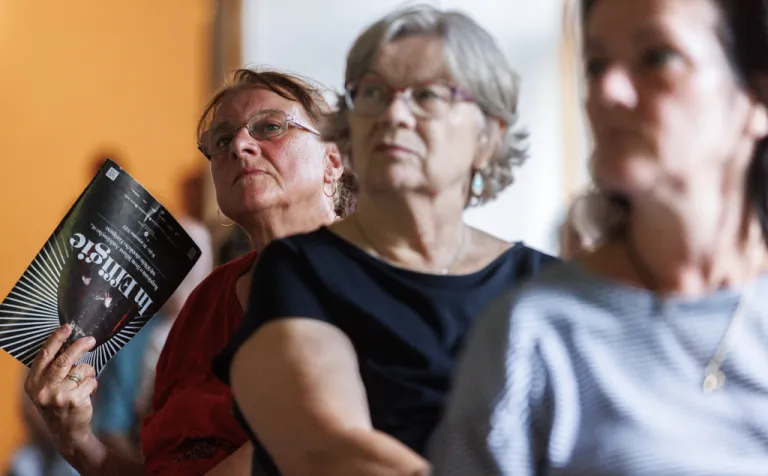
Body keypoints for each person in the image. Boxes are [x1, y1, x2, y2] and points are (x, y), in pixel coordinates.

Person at [213, 5, 556, 476]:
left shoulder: (546, 285)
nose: (394, 113)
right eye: (372, 93)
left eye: (427, 95)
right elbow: (329, 450)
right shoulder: (299, 271)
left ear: (487, 136)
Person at [430, 0, 768, 474]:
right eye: (595, 65)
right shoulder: (535, 334)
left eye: (657, 57)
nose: (606, 91)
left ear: (756, 99)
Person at [23, 68, 355, 476]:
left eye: (269, 126)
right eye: (222, 139)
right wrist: (76, 442)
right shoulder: (206, 301)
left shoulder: (376, 282)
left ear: (332, 159)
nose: (240, 145)